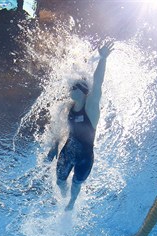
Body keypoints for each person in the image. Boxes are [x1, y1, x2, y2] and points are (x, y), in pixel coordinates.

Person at [46, 41, 114, 211]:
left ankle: (72, 203)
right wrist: (54, 146)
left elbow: (97, 84)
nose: (70, 89)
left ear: (83, 92)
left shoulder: (90, 108)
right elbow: (60, 129)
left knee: (77, 183)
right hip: (68, 151)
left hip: (85, 156)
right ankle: (63, 198)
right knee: (60, 181)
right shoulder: (68, 107)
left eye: (74, 87)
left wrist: (103, 59)